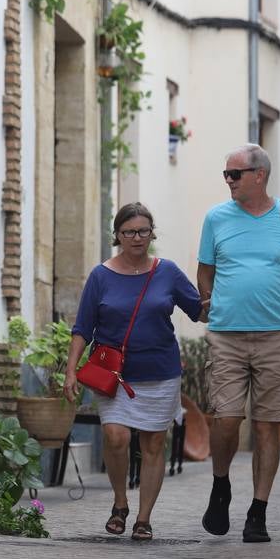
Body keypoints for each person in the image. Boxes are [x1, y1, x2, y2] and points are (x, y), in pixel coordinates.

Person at [64, 202, 206, 541]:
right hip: (113, 375)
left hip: (160, 372)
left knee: (154, 442)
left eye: (143, 231)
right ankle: (119, 502)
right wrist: (71, 371)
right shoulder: (101, 276)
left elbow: (199, 312)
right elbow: (83, 327)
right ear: (117, 236)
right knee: (116, 437)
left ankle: (143, 518)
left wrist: (225, 298)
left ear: (151, 233)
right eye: (129, 232)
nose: (137, 237)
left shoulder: (167, 272)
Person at [198, 144, 280, 543]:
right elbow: (205, 273)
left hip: (275, 338)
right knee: (225, 418)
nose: (228, 181)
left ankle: (258, 512)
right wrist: (218, 309)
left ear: (259, 175)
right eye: (226, 174)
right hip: (226, 336)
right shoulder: (216, 218)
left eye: (234, 174)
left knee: (268, 427)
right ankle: (221, 484)